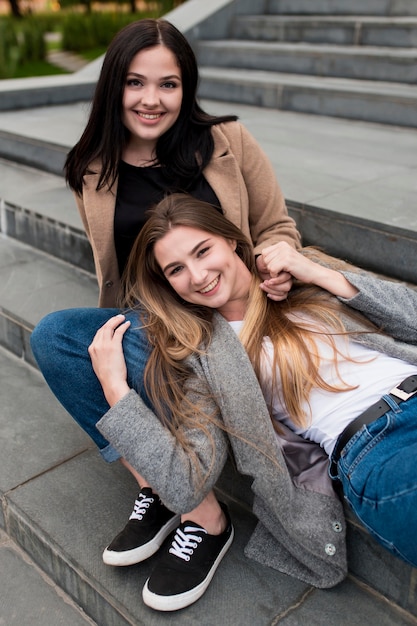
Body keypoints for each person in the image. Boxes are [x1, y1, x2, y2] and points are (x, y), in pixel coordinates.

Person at [31, 15, 300, 570]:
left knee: (111, 364)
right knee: (56, 338)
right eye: (136, 82)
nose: (151, 99)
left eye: (168, 84)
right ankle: (181, 497)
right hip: (163, 326)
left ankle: (198, 516)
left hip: (233, 322)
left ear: (186, 87)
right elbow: (120, 274)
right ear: (113, 86)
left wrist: (277, 260)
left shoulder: (226, 142)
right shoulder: (92, 170)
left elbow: (276, 226)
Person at [89, 193, 417, 605]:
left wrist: (318, 273)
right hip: (379, 444)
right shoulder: (203, 355)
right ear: (167, 284)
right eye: (176, 269)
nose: (197, 274)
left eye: (203, 250)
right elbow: (185, 482)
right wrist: (116, 391)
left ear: (232, 240)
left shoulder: (303, 272)